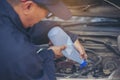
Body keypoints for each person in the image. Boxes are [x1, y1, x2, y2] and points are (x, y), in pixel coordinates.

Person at [0, 0, 87, 80]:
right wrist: (48, 58)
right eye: (47, 14)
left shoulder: (5, 11)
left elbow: (24, 25)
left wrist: (70, 37)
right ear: (28, 6)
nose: (42, 19)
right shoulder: (19, 54)